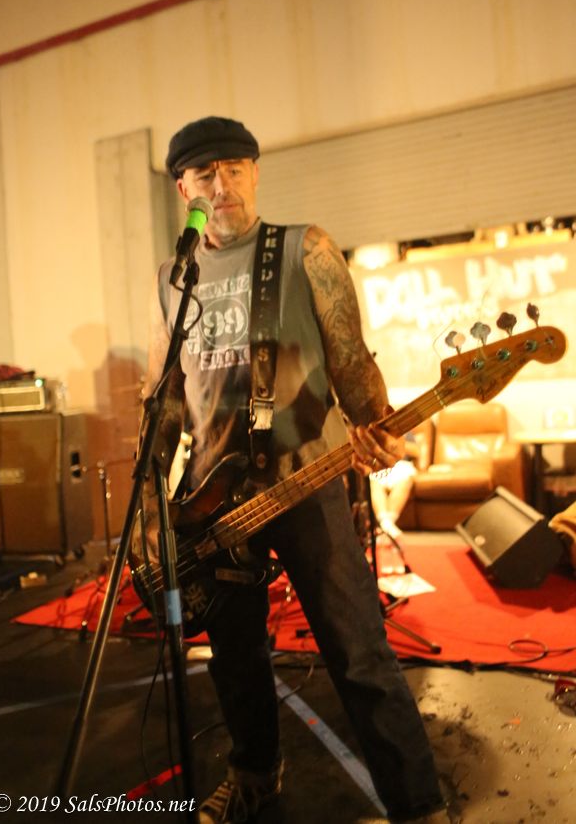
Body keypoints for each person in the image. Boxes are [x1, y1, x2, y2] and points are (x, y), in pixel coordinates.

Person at [142, 116, 448, 824]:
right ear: (183, 188)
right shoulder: (172, 278)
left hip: (307, 480)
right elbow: (165, 399)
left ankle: (417, 804)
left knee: (357, 650)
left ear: (255, 172)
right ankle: (255, 777)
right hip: (213, 500)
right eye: (205, 174)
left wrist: (378, 426)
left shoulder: (305, 249)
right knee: (235, 658)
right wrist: (153, 504)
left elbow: (351, 359)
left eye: (235, 169)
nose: (222, 186)